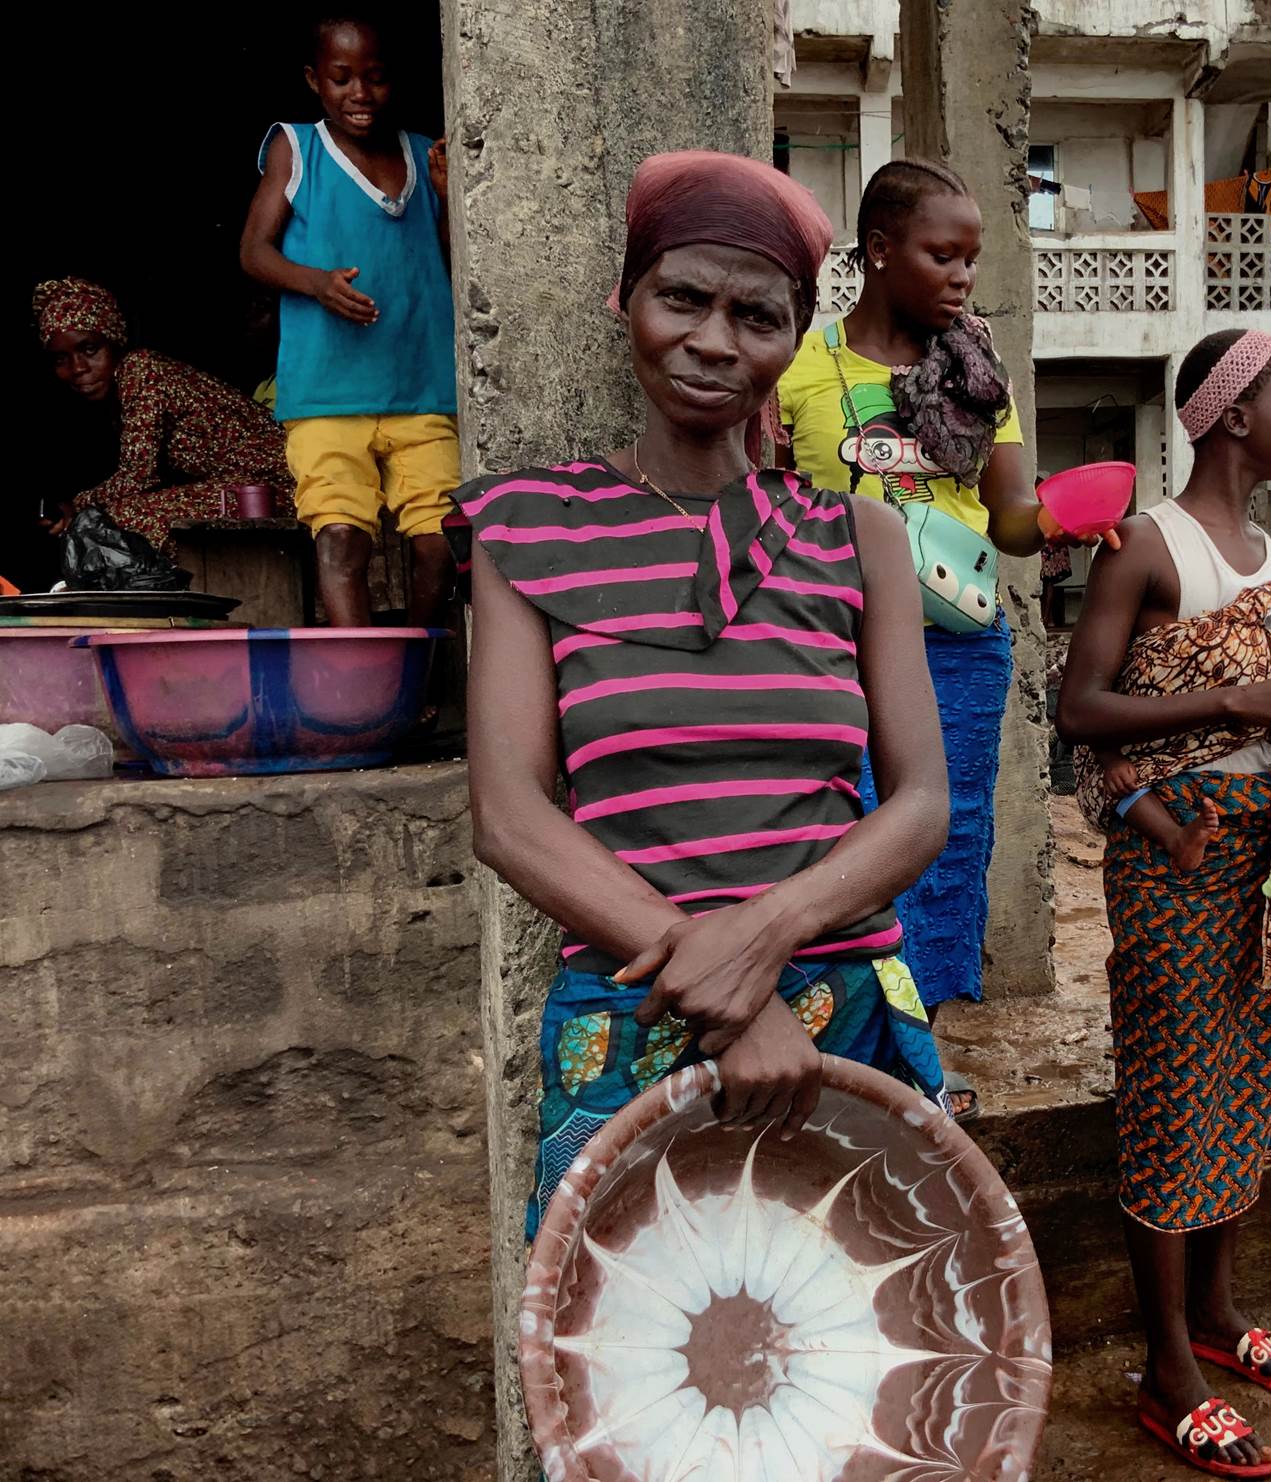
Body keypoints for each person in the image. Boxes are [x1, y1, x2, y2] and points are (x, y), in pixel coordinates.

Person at [458, 149, 950, 1239]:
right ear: (625, 297)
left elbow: (919, 805)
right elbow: (510, 815)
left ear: (793, 336)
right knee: (631, 1376)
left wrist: (768, 938)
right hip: (635, 1014)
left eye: (757, 316)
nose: (716, 342)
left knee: (850, 1361)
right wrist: (724, 996)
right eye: (682, 297)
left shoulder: (860, 536)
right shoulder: (526, 533)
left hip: (840, 1011)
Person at [776, 160, 1115, 1118]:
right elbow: (770, 500)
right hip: (830, 644)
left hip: (957, 649)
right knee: (843, 832)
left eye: (971, 256)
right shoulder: (803, 371)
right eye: (942, 254)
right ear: (879, 252)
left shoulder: (978, 377)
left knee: (939, 838)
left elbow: (1006, 517)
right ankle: (847, 1044)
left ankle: (919, 1051)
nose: (963, 275)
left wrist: (1059, 520)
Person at [1055, 329, 1271, 1479]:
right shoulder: (1149, 548)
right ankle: (1168, 1371)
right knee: (1174, 1098)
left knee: (1248, 1088)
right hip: (1176, 860)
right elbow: (1080, 708)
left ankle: (1217, 1317)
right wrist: (1235, 695)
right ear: (1231, 417)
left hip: (1266, 864)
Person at [240, 14, 458, 628]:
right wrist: (318, 284)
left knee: (442, 542)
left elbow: (448, 260)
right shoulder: (297, 146)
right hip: (328, 392)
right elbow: (253, 251)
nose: (359, 94)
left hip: (421, 386)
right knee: (341, 538)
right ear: (314, 79)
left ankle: (413, 667)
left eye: (375, 78)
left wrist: (445, 200)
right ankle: (361, 686)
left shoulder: (423, 154)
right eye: (341, 78)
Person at [33, 278, 293, 557]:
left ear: (115, 341)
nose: (78, 368)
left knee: (120, 518)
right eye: (61, 358)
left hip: (278, 491)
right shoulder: (119, 397)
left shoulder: (141, 369)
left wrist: (77, 504)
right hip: (247, 490)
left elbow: (138, 476)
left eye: (89, 349)